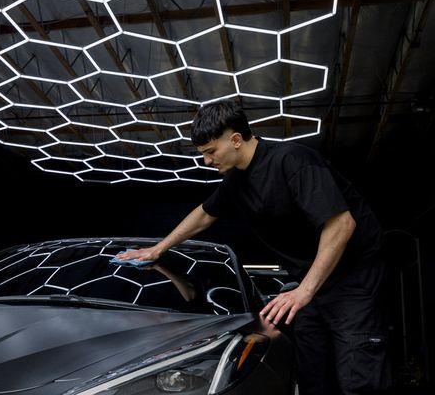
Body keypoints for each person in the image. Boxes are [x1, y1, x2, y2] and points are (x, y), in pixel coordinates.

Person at [116, 101, 391, 394]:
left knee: (358, 378)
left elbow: (341, 225)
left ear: (235, 139)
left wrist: (303, 291)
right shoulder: (237, 180)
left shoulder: (293, 160)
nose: (207, 161)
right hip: (312, 285)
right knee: (312, 374)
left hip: (352, 279)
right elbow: (204, 214)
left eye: (211, 152)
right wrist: (157, 249)